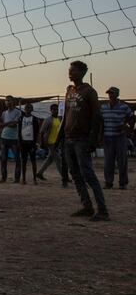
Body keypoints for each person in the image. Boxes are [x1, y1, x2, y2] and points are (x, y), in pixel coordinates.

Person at [61, 61, 108, 221]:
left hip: (82, 139)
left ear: (82, 72)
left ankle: (102, 210)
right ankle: (87, 206)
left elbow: (97, 117)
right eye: (69, 70)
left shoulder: (89, 92)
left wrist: (93, 140)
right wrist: (61, 136)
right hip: (69, 139)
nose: (70, 73)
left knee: (88, 174)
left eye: (73, 71)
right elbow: (66, 115)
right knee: (74, 174)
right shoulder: (69, 91)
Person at [100, 86, 134, 190]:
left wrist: (127, 127)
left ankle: (123, 183)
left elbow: (132, 118)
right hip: (107, 137)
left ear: (117, 95)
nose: (110, 95)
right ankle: (108, 182)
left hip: (120, 137)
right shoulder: (104, 107)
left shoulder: (124, 107)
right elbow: (100, 122)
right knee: (108, 161)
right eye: (109, 93)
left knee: (122, 161)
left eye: (112, 93)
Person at [36, 104, 66, 185]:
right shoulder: (48, 120)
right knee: (58, 159)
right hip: (50, 142)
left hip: (56, 142)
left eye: (56, 109)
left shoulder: (59, 119)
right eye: (54, 109)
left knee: (50, 159)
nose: (55, 111)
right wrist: (42, 142)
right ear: (51, 110)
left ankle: (39, 173)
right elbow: (41, 132)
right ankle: (64, 176)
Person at [0, 96, 22, 183]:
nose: (7, 102)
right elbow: (1, 123)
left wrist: (3, 125)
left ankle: (17, 179)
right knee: (3, 159)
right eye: (6, 101)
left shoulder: (18, 112)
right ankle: (3, 178)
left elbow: (14, 124)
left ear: (13, 101)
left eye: (9, 100)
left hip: (14, 138)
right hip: (4, 137)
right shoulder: (4, 113)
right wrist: (0, 126)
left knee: (17, 159)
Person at [19, 103, 41, 185]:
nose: (27, 109)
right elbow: (19, 131)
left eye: (29, 108)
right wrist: (19, 142)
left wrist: (35, 143)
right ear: (24, 109)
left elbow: (37, 132)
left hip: (31, 143)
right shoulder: (21, 118)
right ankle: (23, 179)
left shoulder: (34, 119)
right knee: (23, 162)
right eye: (26, 108)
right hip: (23, 142)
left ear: (32, 109)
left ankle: (35, 179)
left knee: (33, 161)